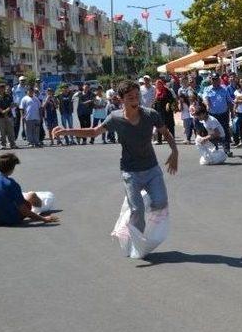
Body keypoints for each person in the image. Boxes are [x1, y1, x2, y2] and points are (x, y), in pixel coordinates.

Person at [53, 80, 178, 234]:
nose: (135, 100)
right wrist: (66, 131)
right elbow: (94, 132)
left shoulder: (151, 114)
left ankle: (138, 203)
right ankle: (137, 239)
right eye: (130, 97)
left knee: (160, 203)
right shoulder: (115, 118)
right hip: (130, 172)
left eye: (137, 96)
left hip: (151, 169)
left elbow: (165, 132)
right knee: (137, 211)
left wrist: (175, 152)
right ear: (121, 99)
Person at [0, 153, 59, 225]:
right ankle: (39, 206)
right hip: (12, 219)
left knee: (24, 196)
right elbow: (23, 210)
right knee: (32, 197)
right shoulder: (11, 184)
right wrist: (44, 219)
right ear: (12, 168)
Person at [203, 72, 233, 157]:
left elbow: (229, 101)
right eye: (213, 79)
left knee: (225, 131)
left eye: (216, 79)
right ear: (211, 80)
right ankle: (215, 149)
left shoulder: (225, 89)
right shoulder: (207, 89)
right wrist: (207, 105)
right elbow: (205, 98)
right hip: (213, 115)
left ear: (219, 80)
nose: (215, 81)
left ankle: (226, 150)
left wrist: (232, 113)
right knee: (213, 132)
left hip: (224, 113)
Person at [0, 83, 17, 149]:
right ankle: (3, 144)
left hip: (9, 116)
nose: (1, 89)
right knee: (2, 132)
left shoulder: (8, 96)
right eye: (0, 88)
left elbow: (12, 104)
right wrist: (2, 111)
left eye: (3, 88)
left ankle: (12, 144)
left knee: (11, 131)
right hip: (0, 117)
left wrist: (6, 110)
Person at [153, 79, 176, 145]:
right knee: (159, 125)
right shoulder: (157, 91)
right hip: (159, 111)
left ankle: (172, 139)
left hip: (167, 111)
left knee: (170, 125)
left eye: (159, 84)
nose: (158, 85)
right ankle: (159, 140)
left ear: (162, 84)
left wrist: (168, 103)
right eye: (157, 84)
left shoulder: (167, 90)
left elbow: (172, 99)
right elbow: (156, 101)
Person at [178, 76, 196, 144]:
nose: (184, 82)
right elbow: (180, 99)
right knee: (187, 125)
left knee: (194, 124)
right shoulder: (180, 90)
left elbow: (192, 97)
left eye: (185, 81)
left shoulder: (190, 89)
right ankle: (188, 139)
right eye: (182, 81)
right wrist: (180, 106)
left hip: (191, 107)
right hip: (185, 109)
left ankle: (197, 137)